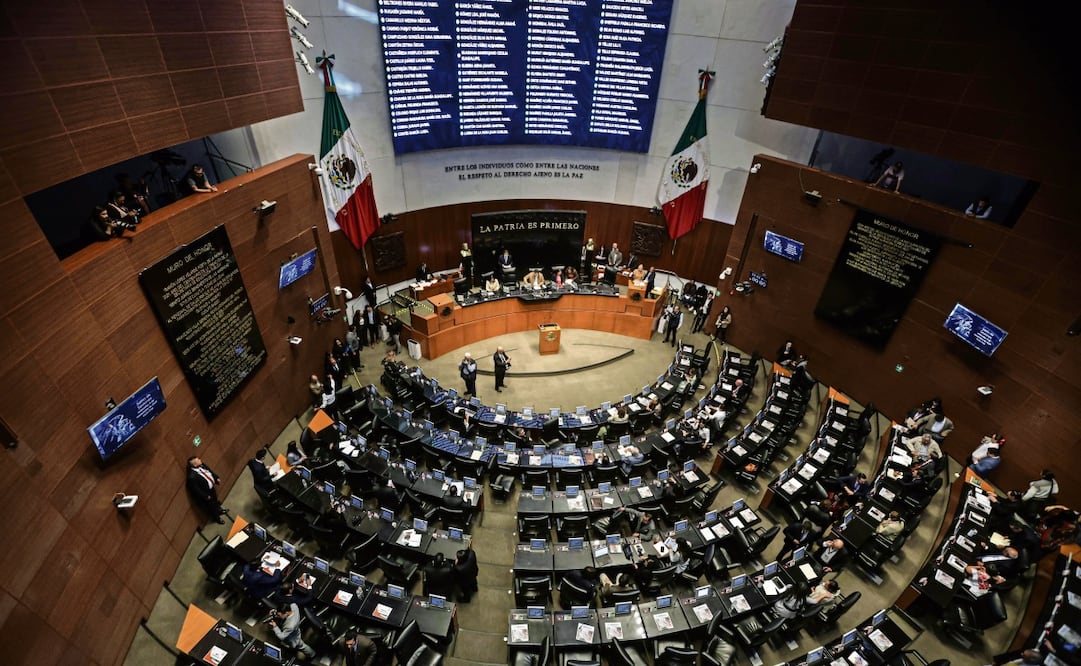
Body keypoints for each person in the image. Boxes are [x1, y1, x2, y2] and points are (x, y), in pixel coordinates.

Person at [186, 456, 227, 523]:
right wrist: (205, 496)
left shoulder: (202, 465)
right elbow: (196, 490)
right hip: (206, 493)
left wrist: (216, 478)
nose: (200, 460)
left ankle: (220, 511)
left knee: (216, 501)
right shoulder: (192, 477)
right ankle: (217, 518)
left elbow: (210, 471)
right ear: (194, 464)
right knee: (212, 506)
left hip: (211, 488)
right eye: (198, 460)